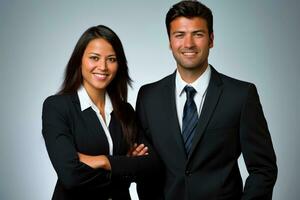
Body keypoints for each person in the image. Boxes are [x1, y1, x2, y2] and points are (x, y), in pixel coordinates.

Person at [135, 1, 278, 199]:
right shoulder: (148, 97)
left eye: (198, 34)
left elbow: (263, 169)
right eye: (179, 35)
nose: (188, 44)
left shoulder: (241, 95)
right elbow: (145, 167)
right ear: (169, 41)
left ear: (211, 39)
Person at [42, 25, 161, 200]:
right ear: (79, 60)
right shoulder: (57, 107)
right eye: (94, 58)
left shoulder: (125, 111)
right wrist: (126, 166)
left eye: (111, 59)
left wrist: (105, 161)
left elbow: (152, 165)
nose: (103, 67)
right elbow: (71, 176)